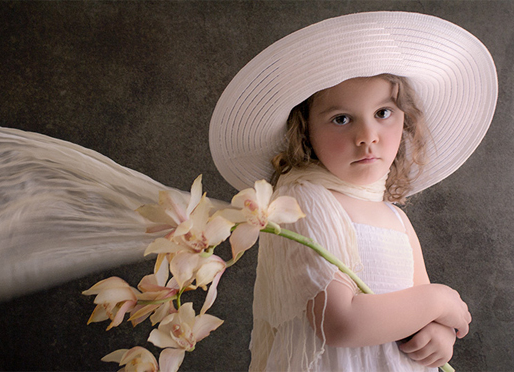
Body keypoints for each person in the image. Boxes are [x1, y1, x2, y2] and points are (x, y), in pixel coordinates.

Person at [208, 11, 498, 371]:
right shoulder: (303, 201)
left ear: (405, 118)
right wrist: (441, 300)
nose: (367, 136)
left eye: (383, 112)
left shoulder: (396, 219)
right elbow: (339, 322)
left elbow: (416, 308)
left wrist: (438, 335)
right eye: (341, 119)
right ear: (305, 132)